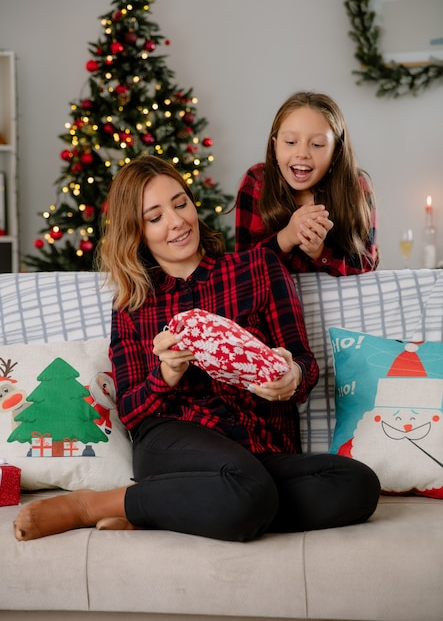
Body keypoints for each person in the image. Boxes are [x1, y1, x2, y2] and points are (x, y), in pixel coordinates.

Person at [13, 156, 380, 543]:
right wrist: (166, 374)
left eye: (180, 203)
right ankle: (94, 504)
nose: (176, 222)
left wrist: (293, 376)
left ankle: (173, 508)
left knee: (356, 483)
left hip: (262, 446)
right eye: (154, 217)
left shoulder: (259, 267)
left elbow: (303, 361)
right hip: (175, 439)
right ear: (136, 232)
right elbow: (132, 411)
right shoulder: (135, 304)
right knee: (248, 490)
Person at [235, 91, 378, 276]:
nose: (302, 153)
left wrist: (319, 252)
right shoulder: (257, 181)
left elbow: (365, 265)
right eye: (291, 142)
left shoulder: (356, 186)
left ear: (336, 151)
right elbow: (242, 269)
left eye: (317, 144)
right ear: (275, 146)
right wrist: (287, 237)